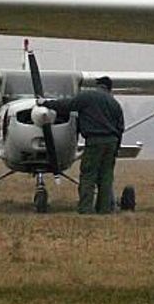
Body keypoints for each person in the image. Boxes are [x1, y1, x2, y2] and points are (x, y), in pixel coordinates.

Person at [43, 76, 124, 214]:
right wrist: (116, 148)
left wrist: (46, 103)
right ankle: (104, 209)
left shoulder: (88, 96)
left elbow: (67, 106)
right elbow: (120, 127)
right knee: (106, 176)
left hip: (95, 140)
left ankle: (85, 208)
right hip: (112, 142)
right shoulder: (114, 103)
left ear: (97, 85)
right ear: (109, 88)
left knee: (88, 175)